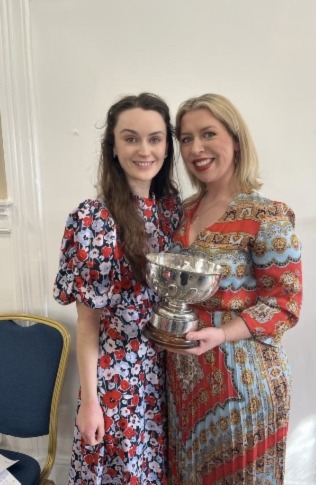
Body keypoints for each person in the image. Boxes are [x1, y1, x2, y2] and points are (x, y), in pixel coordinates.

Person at [166, 93, 302, 484]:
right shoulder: (183, 211)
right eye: (186, 138)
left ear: (236, 139)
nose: (196, 148)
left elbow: (284, 303)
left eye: (208, 134)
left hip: (243, 383)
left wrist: (222, 332)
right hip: (184, 379)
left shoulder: (266, 214)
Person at [53, 92, 183, 484]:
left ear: (167, 146)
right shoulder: (93, 219)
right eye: (130, 138)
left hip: (163, 378)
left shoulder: (171, 210)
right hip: (116, 383)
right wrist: (90, 402)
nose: (144, 150)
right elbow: (88, 323)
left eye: (155, 138)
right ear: (112, 146)